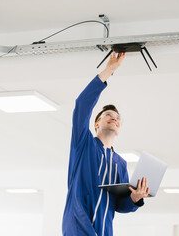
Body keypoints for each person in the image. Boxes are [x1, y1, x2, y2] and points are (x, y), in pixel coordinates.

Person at [62, 52, 149, 236]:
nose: (114, 118)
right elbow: (82, 105)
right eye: (108, 115)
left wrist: (135, 197)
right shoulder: (83, 144)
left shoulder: (120, 164)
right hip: (78, 226)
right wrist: (109, 70)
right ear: (96, 124)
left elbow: (119, 205)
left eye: (117, 118)